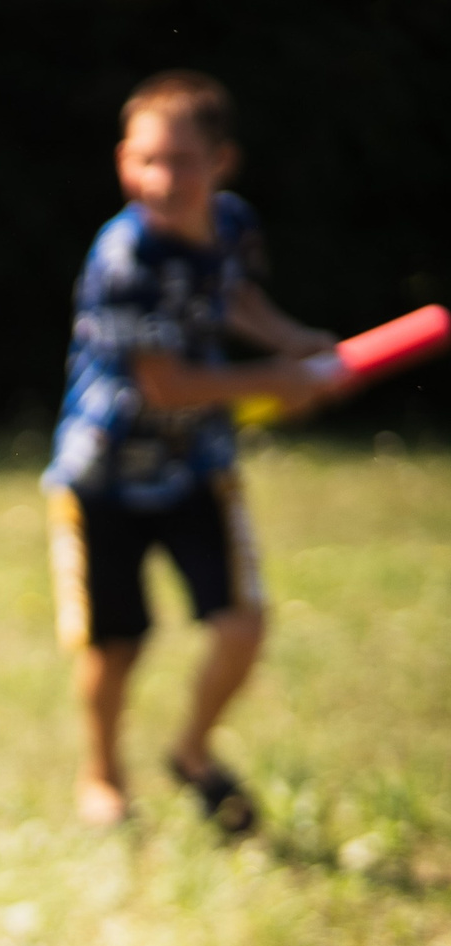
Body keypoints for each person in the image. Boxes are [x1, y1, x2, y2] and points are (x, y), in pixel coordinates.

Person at [43, 70, 343, 832]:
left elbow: (233, 295)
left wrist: (293, 341)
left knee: (242, 624)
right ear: (123, 162)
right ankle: (101, 775)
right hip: (103, 474)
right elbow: (165, 383)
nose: (163, 179)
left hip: (196, 467)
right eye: (147, 160)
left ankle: (192, 751)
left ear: (221, 163)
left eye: (181, 161)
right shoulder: (125, 256)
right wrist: (277, 379)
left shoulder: (233, 224)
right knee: (116, 644)